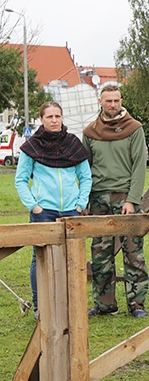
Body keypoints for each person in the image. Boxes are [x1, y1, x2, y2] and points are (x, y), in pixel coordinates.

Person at [14, 101, 92, 317]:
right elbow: (20, 180)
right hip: (44, 210)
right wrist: (34, 206)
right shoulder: (32, 147)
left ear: (62, 117)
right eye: (50, 117)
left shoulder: (73, 144)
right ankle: (41, 305)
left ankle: (70, 304)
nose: (54, 120)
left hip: (71, 211)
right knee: (39, 258)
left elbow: (85, 177)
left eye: (58, 116)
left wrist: (80, 204)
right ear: (42, 119)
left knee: (72, 258)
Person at [82, 83, 149, 317]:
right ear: (100, 102)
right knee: (101, 254)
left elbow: (139, 166)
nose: (113, 104)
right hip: (99, 197)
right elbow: (85, 168)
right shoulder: (90, 132)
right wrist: (86, 201)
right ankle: (104, 304)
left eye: (117, 100)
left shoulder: (134, 129)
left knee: (133, 252)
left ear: (121, 101)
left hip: (125, 197)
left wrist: (132, 199)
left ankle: (137, 303)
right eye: (108, 100)